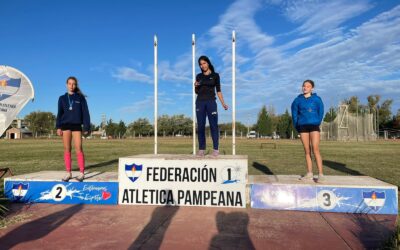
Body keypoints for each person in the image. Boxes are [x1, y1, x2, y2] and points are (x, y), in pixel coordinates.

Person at [56, 76, 91, 182]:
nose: (71, 86)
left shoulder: (80, 98)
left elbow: (85, 112)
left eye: (74, 84)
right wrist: (58, 127)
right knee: (67, 149)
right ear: (66, 84)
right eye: (70, 83)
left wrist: (86, 126)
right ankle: (68, 173)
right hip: (65, 126)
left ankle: (81, 173)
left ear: (76, 85)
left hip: (76, 126)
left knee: (79, 148)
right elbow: (59, 113)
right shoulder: (62, 98)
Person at [291, 79, 325, 182]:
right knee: (307, 150)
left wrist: (317, 121)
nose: (305, 87)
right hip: (303, 127)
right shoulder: (297, 100)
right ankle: (309, 173)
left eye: (308, 86)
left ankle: (320, 174)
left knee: (315, 149)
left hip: (314, 126)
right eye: (304, 86)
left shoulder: (317, 99)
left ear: (312, 88)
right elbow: (294, 113)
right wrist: (297, 125)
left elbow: (321, 111)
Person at [194, 55, 228, 157]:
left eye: (204, 63)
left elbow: (218, 91)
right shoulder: (199, 76)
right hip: (200, 102)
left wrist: (223, 103)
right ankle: (201, 149)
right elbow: (197, 91)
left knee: (214, 125)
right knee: (200, 126)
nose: (202, 66)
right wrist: (195, 86)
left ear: (208, 63)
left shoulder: (216, 76)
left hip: (211, 103)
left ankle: (216, 149)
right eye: (200, 64)